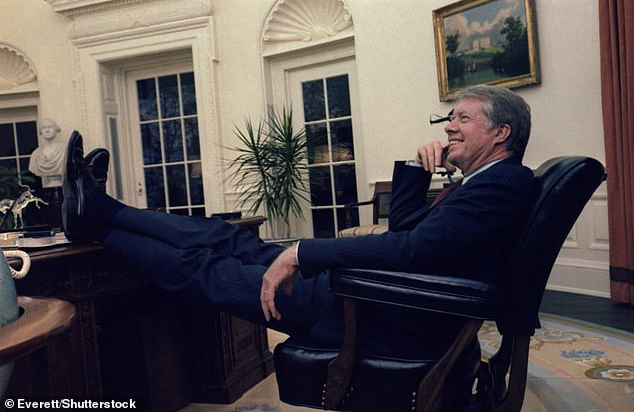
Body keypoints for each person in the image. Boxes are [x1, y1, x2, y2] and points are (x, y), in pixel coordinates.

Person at [62, 84, 534, 359]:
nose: (449, 127)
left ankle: (99, 225)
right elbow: (409, 233)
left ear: (500, 133)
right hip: (364, 288)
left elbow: (411, 249)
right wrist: (418, 169)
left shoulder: (502, 183)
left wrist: (302, 252)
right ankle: (102, 210)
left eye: (462, 119)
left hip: (371, 306)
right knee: (225, 235)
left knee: (200, 266)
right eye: (449, 119)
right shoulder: (485, 181)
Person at [28, 118, 67, 188]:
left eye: (50, 127)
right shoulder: (36, 154)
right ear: (41, 132)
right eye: (44, 128)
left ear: (56, 129)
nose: (47, 130)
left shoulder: (65, 150)